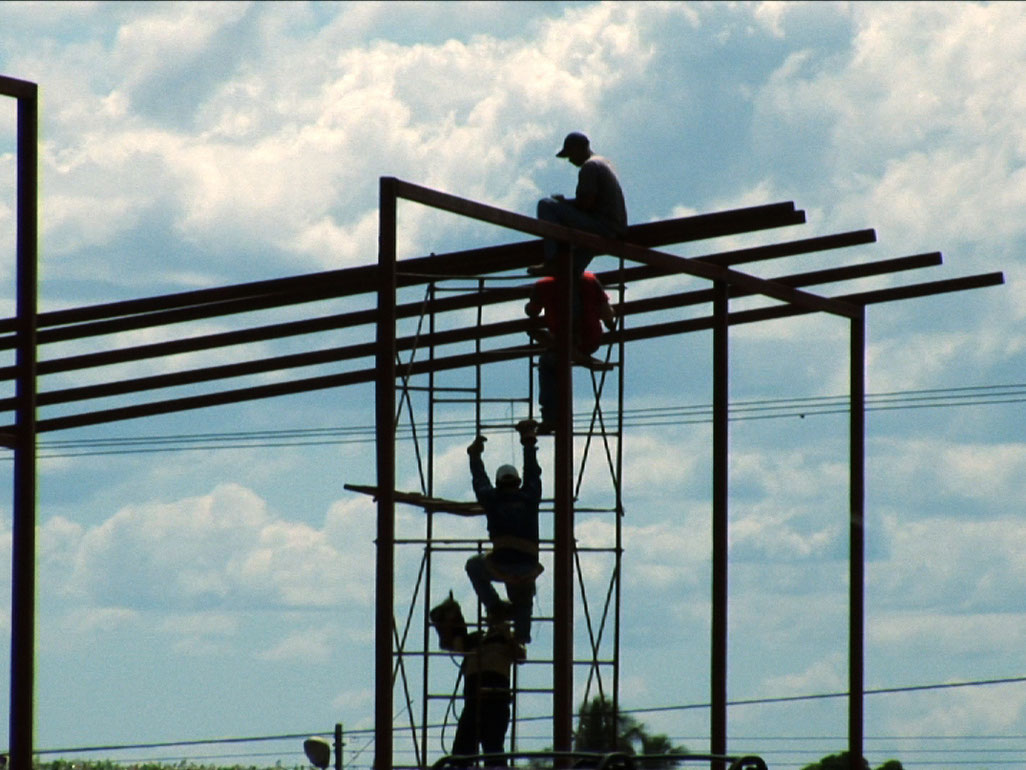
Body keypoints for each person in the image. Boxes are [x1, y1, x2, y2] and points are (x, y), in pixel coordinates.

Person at [464, 420, 542, 645]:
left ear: (498, 483)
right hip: (527, 565)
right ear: (516, 482)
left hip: (500, 564)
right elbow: (532, 473)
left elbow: (480, 481)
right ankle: (522, 634)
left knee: (473, 566)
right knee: (523, 595)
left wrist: (475, 456)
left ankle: (495, 606)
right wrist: (528, 440)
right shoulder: (529, 497)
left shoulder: (492, 498)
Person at [430, 594, 524, 767]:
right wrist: (453, 619)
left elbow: (520, 655)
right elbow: (448, 643)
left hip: (496, 700)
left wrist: (505, 632)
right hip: (474, 700)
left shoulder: (507, 639)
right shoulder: (475, 638)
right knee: (461, 753)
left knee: (493, 749)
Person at [525, 272, 617, 434]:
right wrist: (610, 322)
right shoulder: (589, 279)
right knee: (554, 355)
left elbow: (532, 312)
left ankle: (550, 417)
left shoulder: (543, 285)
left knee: (547, 361)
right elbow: (608, 315)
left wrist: (533, 303)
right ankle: (573, 353)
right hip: (590, 340)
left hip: (562, 341)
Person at [530, 131, 627, 278]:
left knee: (546, 205)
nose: (569, 160)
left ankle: (553, 261)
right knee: (570, 273)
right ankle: (568, 277)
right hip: (614, 228)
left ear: (580, 148)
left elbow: (586, 204)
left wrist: (564, 204)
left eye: (570, 154)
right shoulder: (603, 163)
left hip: (603, 226)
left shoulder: (590, 166)